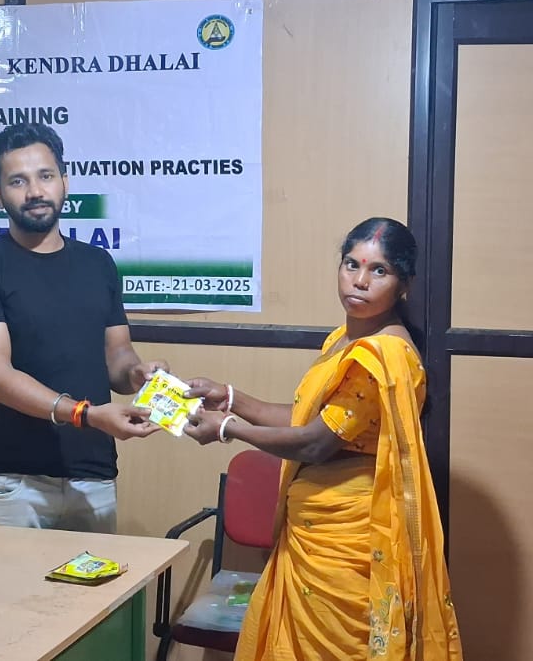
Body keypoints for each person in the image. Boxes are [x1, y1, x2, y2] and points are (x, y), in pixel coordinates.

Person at [182, 217, 463, 660]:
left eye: (379, 270)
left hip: (346, 542)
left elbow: (315, 443)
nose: (360, 281)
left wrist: (226, 428)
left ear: (404, 285)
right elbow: (308, 418)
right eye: (352, 264)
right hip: (309, 534)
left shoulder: (382, 354)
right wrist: (231, 397)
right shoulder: (345, 339)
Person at [0, 122, 164, 533]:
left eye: (45, 176)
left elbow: (117, 355)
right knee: (10, 581)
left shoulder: (98, 264)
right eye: (17, 181)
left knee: (96, 580)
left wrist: (137, 373)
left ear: (65, 181)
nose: (35, 191)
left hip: (93, 477)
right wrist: (86, 415)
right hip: (13, 485)